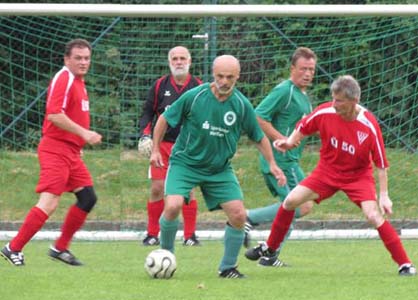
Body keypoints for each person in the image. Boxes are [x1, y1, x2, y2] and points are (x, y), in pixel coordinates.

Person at [245, 75, 416, 276]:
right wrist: (290, 142)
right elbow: (304, 126)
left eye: (340, 100)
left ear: (354, 101)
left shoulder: (369, 125)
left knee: (373, 215)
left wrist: (384, 195)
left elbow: (381, 163)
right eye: (333, 98)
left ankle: (405, 264)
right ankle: (271, 248)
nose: (334, 104)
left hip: (358, 176)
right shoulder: (325, 111)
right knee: (291, 200)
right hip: (327, 171)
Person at [150, 55, 287, 278]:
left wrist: (272, 163)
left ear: (238, 77)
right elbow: (165, 119)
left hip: (219, 169)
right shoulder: (195, 96)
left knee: (238, 215)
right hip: (185, 163)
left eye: (230, 77)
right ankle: (165, 256)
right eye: (220, 76)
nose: (224, 81)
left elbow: (259, 137)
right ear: (213, 74)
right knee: (173, 206)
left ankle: (227, 268)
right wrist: (155, 149)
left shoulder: (241, 105)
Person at [1, 39, 102, 266]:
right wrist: (84, 134)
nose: (83, 62)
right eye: (78, 58)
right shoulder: (64, 77)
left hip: (71, 152)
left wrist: (77, 143)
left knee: (87, 198)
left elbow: (70, 116)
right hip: (55, 150)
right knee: (49, 202)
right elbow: (54, 114)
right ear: (67, 59)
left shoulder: (79, 82)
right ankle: (12, 248)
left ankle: (60, 248)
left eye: (86, 58)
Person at [243, 48, 317, 264]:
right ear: (292, 68)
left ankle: (269, 254)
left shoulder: (302, 96)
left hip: (290, 161)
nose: (308, 73)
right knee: (298, 205)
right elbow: (258, 117)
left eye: (311, 69)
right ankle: (252, 221)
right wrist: (281, 140)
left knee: (300, 205)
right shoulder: (285, 91)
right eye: (303, 69)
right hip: (282, 161)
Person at [138, 46, 202, 246]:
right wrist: (145, 135)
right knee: (157, 188)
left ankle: (189, 236)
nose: (179, 62)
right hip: (162, 146)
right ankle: (152, 234)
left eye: (183, 58)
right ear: (169, 62)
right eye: (175, 58)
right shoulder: (159, 86)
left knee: (188, 190)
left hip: (187, 148)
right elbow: (147, 113)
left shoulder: (199, 86)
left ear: (190, 61)